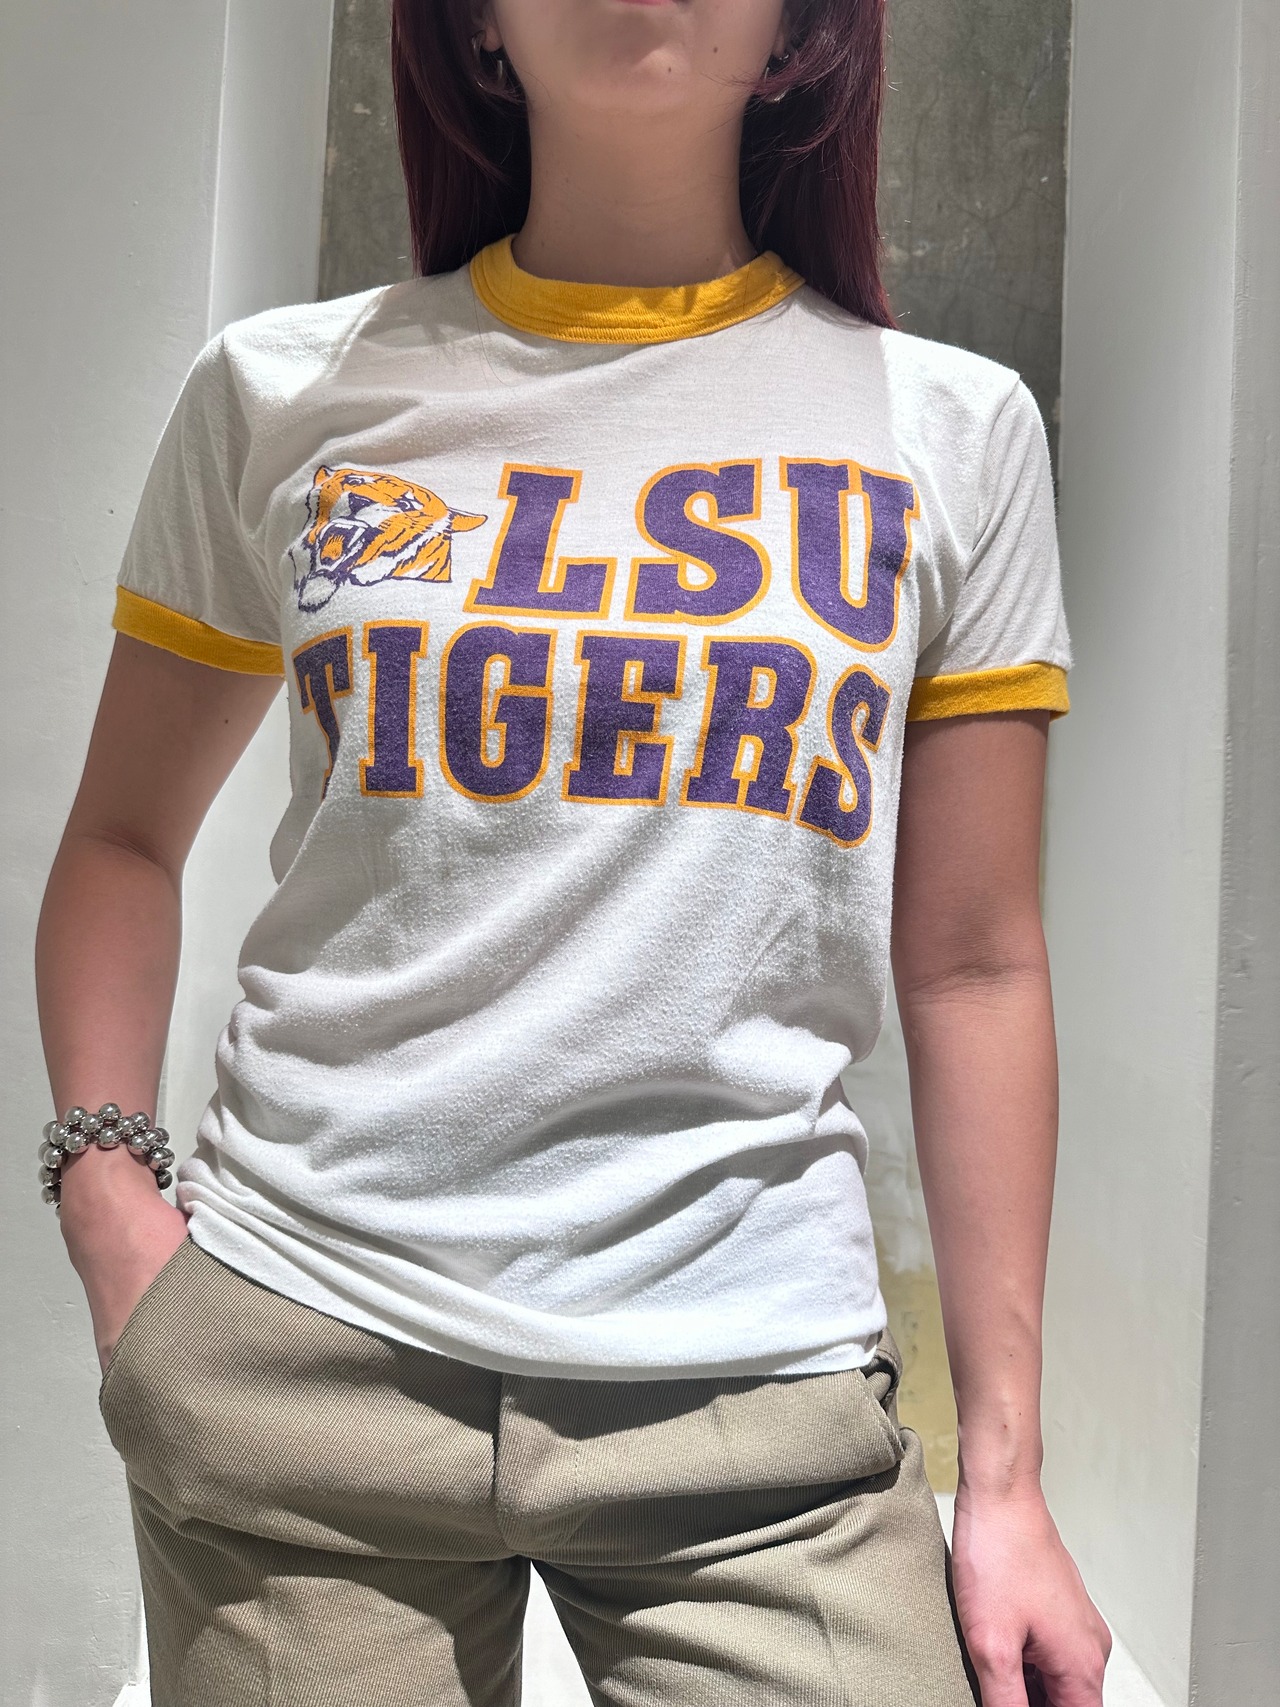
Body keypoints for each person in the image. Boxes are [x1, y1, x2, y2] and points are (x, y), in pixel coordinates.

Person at [35, 2, 1113, 1703]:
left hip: (756, 1401)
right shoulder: (283, 391)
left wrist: (1008, 1480)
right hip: (296, 1356)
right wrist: (109, 1199)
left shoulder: (953, 429)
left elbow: (975, 963)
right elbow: (119, 839)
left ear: (802, 28)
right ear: (474, 26)